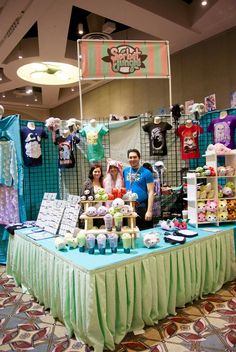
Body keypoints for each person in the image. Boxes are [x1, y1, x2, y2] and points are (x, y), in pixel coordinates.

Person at [123, 149, 154, 231]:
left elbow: (151, 192)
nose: (132, 159)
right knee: (129, 231)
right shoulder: (125, 171)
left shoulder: (146, 172)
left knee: (144, 232)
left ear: (139, 158)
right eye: (130, 157)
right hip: (127, 207)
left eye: (134, 157)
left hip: (141, 207)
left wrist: (149, 211)